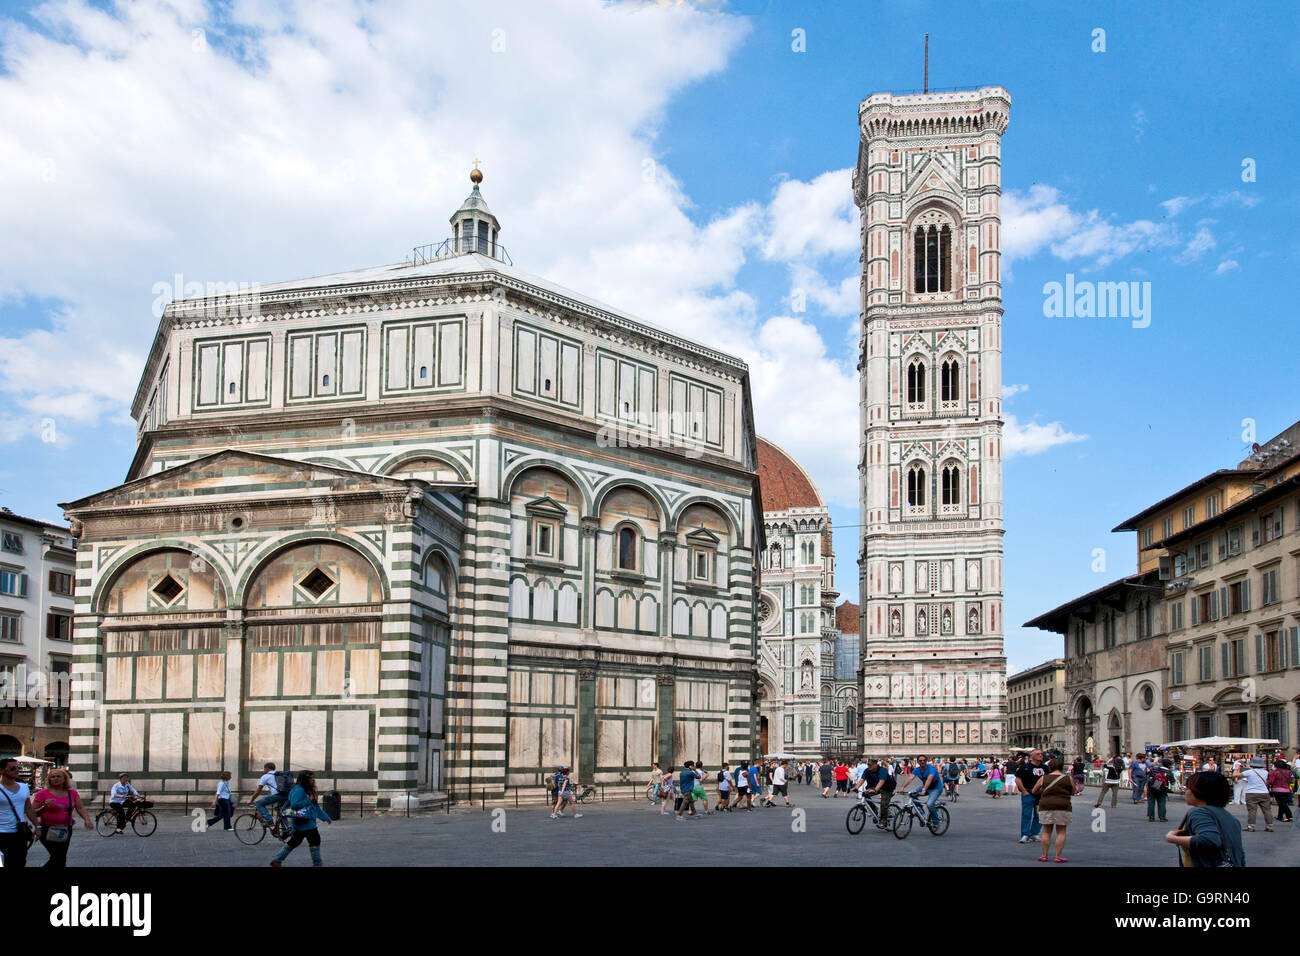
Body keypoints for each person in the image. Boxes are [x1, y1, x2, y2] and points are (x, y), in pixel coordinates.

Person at [1165, 771, 1244, 867]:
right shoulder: (1229, 817)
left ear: (1199, 792)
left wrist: (1172, 838)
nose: (1186, 791)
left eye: (1189, 788)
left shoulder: (1199, 813)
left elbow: (1209, 840)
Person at [269, 770, 331, 867]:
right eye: (310, 778)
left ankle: (277, 860)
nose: (313, 780)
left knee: (294, 841)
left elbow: (315, 807)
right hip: (304, 821)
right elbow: (295, 805)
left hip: (303, 821)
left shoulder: (307, 790)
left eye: (312, 777)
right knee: (315, 840)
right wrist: (307, 799)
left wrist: (325, 817)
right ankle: (317, 864)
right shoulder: (299, 790)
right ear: (305, 780)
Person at [31, 767, 91, 867]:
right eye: (53, 777)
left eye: (58, 776)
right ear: (49, 779)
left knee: (61, 858)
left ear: (64, 779)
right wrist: (45, 806)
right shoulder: (42, 794)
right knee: (58, 857)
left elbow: (80, 808)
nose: (55, 778)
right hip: (47, 829)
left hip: (65, 829)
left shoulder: (72, 793)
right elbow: (33, 812)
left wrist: (87, 819)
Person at [1032, 758, 1074, 863]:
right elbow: (1073, 791)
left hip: (1046, 805)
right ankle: (1057, 856)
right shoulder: (1068, 778)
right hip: (1063, 805)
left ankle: (1044, 855)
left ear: (1050, 767)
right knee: (1061, 831)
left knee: (1046, 830)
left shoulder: (1043, 778)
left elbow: (1034, 790)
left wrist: (1044, 791)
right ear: (1062, 766)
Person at [0, 756, 36, 867]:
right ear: (1, 770)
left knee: (19, 862)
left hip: (19, 833)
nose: (16, 771)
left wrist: (37, 826)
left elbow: (28, 808)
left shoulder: (24, 787)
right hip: (1, 833)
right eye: (12, 768)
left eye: (17, 768)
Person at [1015, 749, 1049, 844]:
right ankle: (1025, 834)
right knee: (1027, 814)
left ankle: (1034, 833)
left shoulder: (1045, 768)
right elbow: (1017, 779)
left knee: (1039, 815)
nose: (1040, 755)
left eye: (1041, 754)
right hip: (1028, 793)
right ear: (1032, 756)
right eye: (1038, 754)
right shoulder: (1025, 767)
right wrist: (1024, 791)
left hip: (1042, 795)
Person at [1240, 756, 1273, 831]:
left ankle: (1251, 826)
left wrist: (1237, 768)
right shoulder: (1265, 772)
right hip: (1264, 792)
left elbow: (1235, 775)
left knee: (1252, 810)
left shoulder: (1248, 772)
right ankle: (1269, 825)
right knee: (1267, 810)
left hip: (1251, 792)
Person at [909, 754, 943, 823]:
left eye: (924, 760)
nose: (922, 762)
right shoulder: (917, 770)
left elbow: (929, 780)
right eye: (920, 760)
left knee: (929, 804)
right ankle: (920, 810)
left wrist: (924, 790)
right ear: (918, 762)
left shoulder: (932, 769)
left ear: (926, 761)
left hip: (936, 788)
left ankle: (936, 821)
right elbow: (910, 778)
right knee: (912, 794)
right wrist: (902, 787)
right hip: (926, 787)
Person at [864, 757, 896, 828]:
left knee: (883, 804)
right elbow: (862, 779)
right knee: (865, 794)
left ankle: (883, 822)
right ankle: (874, 810)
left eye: (871, 765)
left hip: (888, 788)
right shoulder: (867, 770)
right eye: (868, 765)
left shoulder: (882, 770)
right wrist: (856, 787)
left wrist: (875, 790)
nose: (869, 766)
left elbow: (882, 781)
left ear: (875, 765)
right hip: (878, 786)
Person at [1146, 759, 1173, 823]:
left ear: (1162, 764)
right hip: (1162, 789)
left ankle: (1151, 817)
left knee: (1151, 802)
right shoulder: (1169, 772)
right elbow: (1172, 782)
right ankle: (1162, 817)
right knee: (1161, 802)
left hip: (1152, 787)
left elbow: (1148, 775)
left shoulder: (1154, 769)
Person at [1267, 759, 1293, 823]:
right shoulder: (1288, 772)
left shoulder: (1275, 772)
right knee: (1282, 803)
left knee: (1282, 804)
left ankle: (1289, 816)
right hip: (1287, 790)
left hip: (1277, 790)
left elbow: (1271, 781)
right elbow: (1291, 781)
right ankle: (1280, 816)